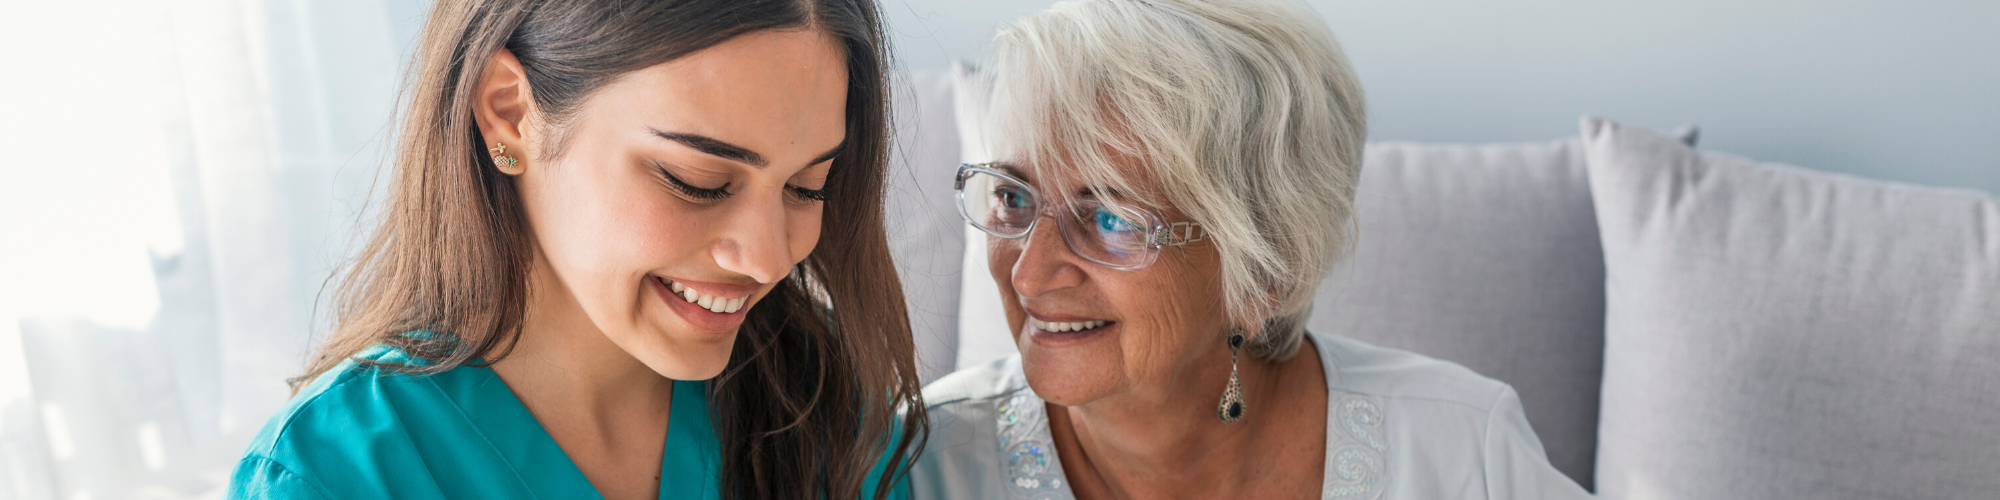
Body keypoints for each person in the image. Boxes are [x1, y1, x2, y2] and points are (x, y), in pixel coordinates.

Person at [227, 0, 923, 498]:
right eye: (697, 182)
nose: (769, 260)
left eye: (806, 187)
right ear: (509, 111)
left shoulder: (815, 390)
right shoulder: (330, 475)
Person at [910, 0, 1593, 498]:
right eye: (1014, 198)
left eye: (1110, 218)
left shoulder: (1461, 451)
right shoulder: (920, 465)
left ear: (1265, 270)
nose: (1030, 271)